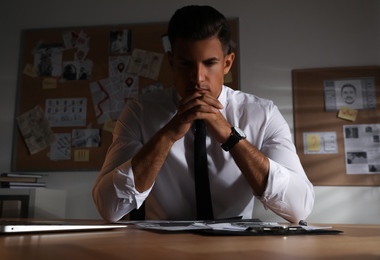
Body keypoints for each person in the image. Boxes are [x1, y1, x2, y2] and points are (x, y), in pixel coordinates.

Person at [93, 5, 314, 223]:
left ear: (227, 63)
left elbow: (299, 208)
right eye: (185, 64)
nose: (197, 77)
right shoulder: (139, 112)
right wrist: (168, 135)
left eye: (209, 63)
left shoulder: (262, 114)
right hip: (159, 250)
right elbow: (109, 208)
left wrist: (232, 137)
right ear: (171, 62)